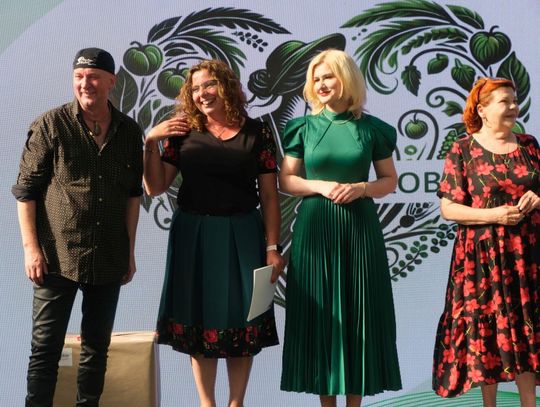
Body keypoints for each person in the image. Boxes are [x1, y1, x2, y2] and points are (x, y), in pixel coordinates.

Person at [143, 59, 284, 407]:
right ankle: (207, 404)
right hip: (194, 235)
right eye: (195, 88)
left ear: (226, 87)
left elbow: (269, 195)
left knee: (243, 321)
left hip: (244, 235)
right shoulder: (182, 132)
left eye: (209, 85)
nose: (202, 93)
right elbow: (155, 187)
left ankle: (236, 403)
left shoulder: (258, 132)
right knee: (199, 319)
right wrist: (150, 142)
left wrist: (272, 247)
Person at [12, 47, 143, 406]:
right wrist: (31, 250)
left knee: (96, 349)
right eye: (79, 76)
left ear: (112, 81)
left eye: (93, 76)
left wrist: (130, 251)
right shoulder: (50, 125)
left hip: (109, 254)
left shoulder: (130, 132)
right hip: (56, 256)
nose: (85, 83)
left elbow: (133, 196)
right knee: (45, 349)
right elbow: (25, 193)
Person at [279, 49, 402, 407]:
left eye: (328, 76)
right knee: (322, 318)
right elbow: (287, 180)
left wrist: (361, 188)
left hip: (359, 232)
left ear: (346, 78)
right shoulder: (303, 128)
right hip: (315, 230)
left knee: (358, 314)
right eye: (316, 79)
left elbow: (389, 180)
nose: (321, 84)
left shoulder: (373, 129)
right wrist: (319, 185)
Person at [432, 77, 540, 407]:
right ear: (482, 109)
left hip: (527, 256)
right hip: (482, 259)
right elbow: (449, 208)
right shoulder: (462, 149)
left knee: (526, 329)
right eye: (504, 101)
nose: (513, 107)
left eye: (514, 100)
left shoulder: (529, 144)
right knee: (486, 336)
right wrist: (494, 216)